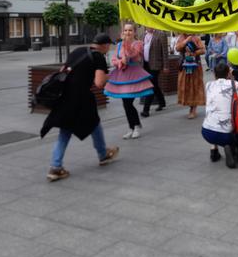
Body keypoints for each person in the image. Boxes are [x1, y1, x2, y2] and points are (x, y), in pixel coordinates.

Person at [41, 33, 120, 182]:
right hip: (81, 99)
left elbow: (63, 69)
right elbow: (99, 83)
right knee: (84, 126)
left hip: (65, 97)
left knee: (82, 126)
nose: (108, 49)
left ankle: (101, 154)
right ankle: (57, 167)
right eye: (108, 46)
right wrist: (112, 75)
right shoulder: (98, 57)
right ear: (104, 45)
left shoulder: (77, 51)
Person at [104, 23, 154, 139]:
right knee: (125, 103)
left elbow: (133, 54)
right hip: (121, 74)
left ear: (134, 32)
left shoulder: (138, 44)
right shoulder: (119, 44)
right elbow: (114, 59)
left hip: (134, 74)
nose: (127, 33)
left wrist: (126, 46)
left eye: (130, 30)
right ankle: (131, 127)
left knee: (128, 102)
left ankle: (136, 126)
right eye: (126, 30)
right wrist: (119, 62)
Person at [202, 61, 238, 168]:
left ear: (214, 74)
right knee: (232, 129)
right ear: (228, 73)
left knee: (214, 115)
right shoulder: (234, 84)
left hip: (206, 132)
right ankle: (229, 146)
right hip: (226, 134)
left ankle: (214, 150)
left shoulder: (208, 85)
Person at [175, 33, 206, 118]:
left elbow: (203, 50)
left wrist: (194, 53)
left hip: (195, 67)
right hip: (184, 67)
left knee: (195, 86)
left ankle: (193, 109)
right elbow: (177, 48)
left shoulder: (196, 38)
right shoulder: (181, 37)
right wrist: (186, 41)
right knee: (186, 87)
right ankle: (190, 105)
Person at [141, 28, 169, 117]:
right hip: (145, 64)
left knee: (151, 85)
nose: (148, 26)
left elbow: (165, 52)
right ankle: (162, 102)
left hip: (155, 64)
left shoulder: (161, 34)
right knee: (155, 84)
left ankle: (146, 109)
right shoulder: (143, 35)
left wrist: (166, 66)